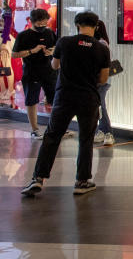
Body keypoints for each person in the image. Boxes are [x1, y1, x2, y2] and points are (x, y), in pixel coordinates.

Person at [21, 11, 110, 196]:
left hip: (64, 97)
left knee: (52, 136)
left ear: (77, 24)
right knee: (86, 139)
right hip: (88, 98)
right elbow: (103, 77)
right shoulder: (102, 49)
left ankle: (38, 178)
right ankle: (82, 181)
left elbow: (54, 66)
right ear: (96, 26)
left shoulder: (64, 42)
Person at [12, 9, 57, 139]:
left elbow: (56, 47)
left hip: (49, 70)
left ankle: (56, 127)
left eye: (45, 23)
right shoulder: (23, 35)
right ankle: (34, 129)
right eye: (39, 24)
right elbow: (14, 54)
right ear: (32, 22)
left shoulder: (49, 32)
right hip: (31, 72)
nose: (42, 26)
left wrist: (51, 51)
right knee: (31, 101)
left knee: (55, 100)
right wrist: (32, 51)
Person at [93, 20, 115, 145]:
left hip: (101, 80)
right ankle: (101, 131)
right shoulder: (100, 42)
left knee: (101, 106)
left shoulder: (101, 43)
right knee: (98, 106)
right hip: (99, 80)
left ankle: (108, 132)